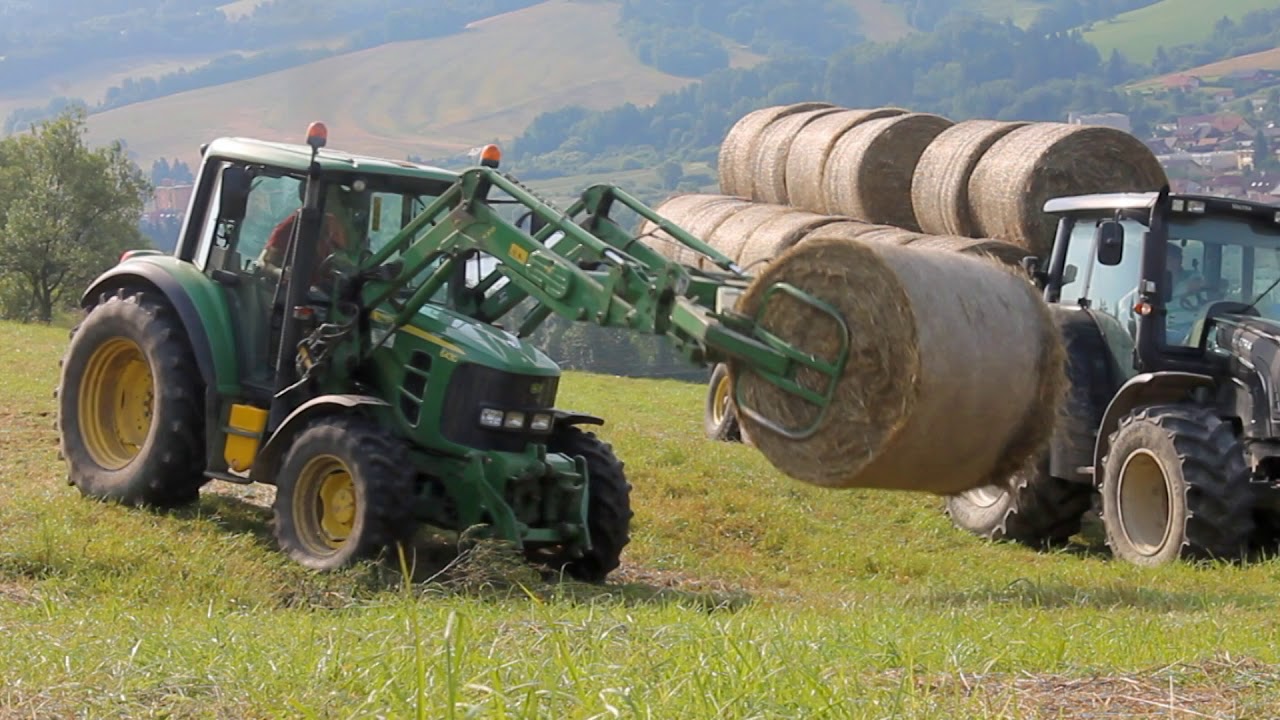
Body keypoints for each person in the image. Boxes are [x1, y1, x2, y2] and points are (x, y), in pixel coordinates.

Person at [257, 183, 353, 287]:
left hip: (327, 289)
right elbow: (263, 262)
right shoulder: (289, 227)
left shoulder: (332, 222)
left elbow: (341, 255)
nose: (336, 202)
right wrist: (281, 273)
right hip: (299, 292)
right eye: (331, 197)